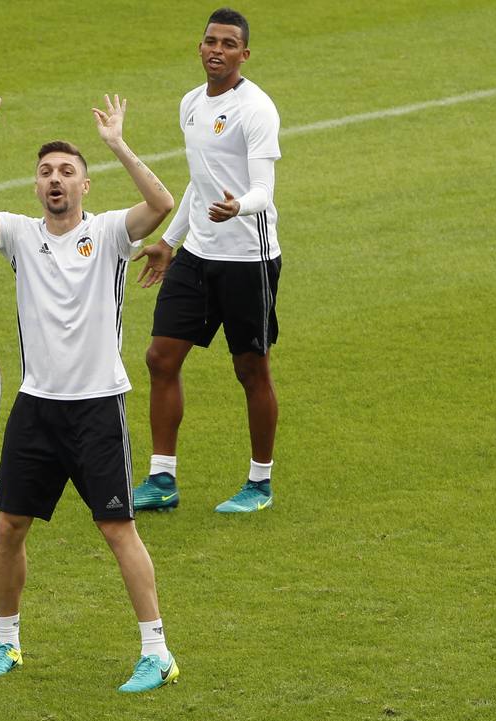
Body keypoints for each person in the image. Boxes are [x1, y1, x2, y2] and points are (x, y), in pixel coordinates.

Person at [0, 93, 181, 693]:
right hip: (36, 408)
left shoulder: (108, 235)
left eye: (66, 172)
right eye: (46, 172)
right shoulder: (21, 236)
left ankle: (158, 652)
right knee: (9, 527)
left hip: (99, 407)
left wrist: (118, 143)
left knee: (116, 528)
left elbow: (162, 203)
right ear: (35, 186)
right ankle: (8, 642)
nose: (55, 180)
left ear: (85, 186)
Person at [131, 7, 283, 514]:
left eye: (228, 43)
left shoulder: (256, 109)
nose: (216, 50)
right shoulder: (191, 104)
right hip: (198, 254)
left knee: (251, 369)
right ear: (199, 47)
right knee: (160, 358)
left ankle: (259, 483)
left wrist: (239, 205)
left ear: (244, 54)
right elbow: (199, 183)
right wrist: (170, 242)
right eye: (210, 41)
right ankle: (162, 478)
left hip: (248, 258)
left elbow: (263, 189)